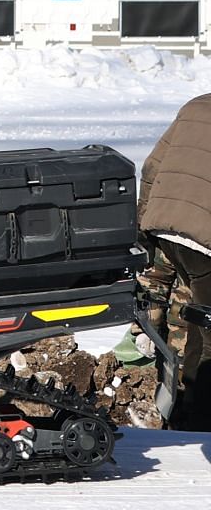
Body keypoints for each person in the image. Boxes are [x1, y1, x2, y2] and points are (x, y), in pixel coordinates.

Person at [141, 92, 211, 431]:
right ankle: (196, 422)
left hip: (167, 226)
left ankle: (179, 409)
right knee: (207, 335)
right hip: (203, 238)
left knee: (193, 318)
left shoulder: (195, 105)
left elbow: (151, 168)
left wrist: (143, 229)